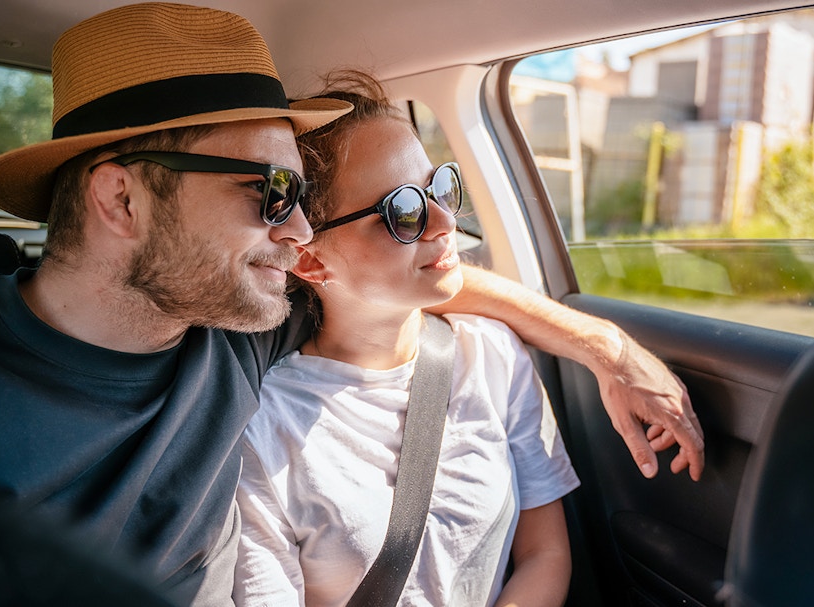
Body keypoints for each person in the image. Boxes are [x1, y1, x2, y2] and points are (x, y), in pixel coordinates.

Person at [0, 2, 703, 606]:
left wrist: (605, 345)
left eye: (303, 194)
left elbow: (421, 276)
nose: (300, 230)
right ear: (121, 202)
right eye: (271, 193)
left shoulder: (241, 329)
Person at [234, 73, 581, 607]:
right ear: (309, 258)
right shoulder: (263, 428)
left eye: (439, 187)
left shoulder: (492, 354)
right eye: (403, 210)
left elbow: (545, 553)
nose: (445, 222)